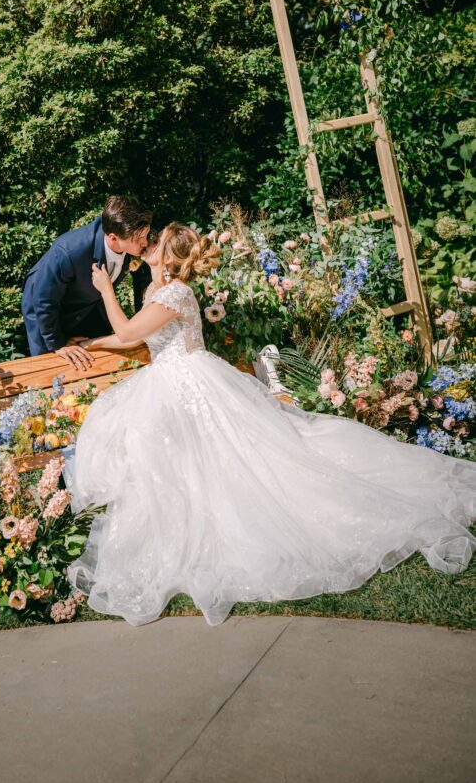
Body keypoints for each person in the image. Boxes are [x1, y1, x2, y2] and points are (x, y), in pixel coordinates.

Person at [66, 222, 476, 627]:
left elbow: (127, 328)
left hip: (192, 381)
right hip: (170, 381)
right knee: (179, 455)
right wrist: (90, 343)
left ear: (169, 256)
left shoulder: (177, 292)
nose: (147, 245)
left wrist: (105, 291)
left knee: (238, 458)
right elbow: (129, 338)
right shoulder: (156, 291)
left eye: (154, 242)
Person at [21, 195, 154, 370]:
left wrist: (143, 321)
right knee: (54, 370)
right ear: (113, 238)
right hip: (45, 310)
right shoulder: (69, 251)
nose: (145, 242)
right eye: (139, 239)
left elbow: (144, 276)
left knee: (97, 362)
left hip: (89, 304)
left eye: (146, 234)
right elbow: (43, 298)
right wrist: (58, 344)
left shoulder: (132, 232)